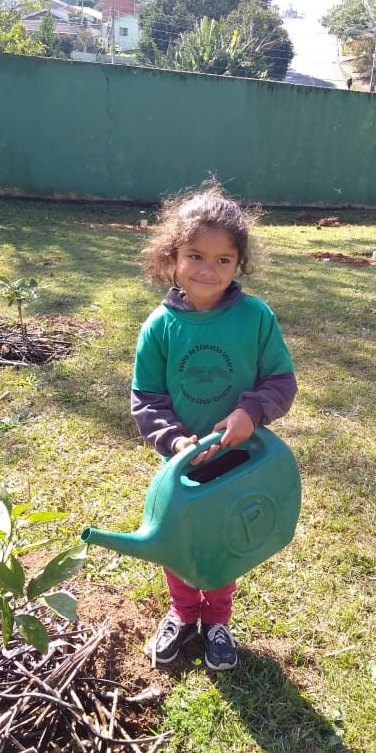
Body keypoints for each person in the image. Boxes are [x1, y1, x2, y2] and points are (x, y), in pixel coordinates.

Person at [131, 181, 297, 670]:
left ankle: (217, 620)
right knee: (177, 540)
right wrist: (176, 439)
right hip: (181, 462)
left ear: (239, 263)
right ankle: (183, 615)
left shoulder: (256, 318)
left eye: (223, 260)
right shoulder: (159, 327)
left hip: (237, 460)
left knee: (225, 539)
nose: (208, 269)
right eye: (195, 255)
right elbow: (147, 398)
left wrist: (250, 411)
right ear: (172, 255)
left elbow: (280, 380)